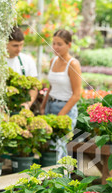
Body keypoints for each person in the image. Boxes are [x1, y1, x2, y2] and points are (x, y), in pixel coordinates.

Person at [40, 29, 82, 159]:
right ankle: (48, 179)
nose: (55, 47)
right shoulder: (53, 61)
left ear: (68, 45)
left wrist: (61, 115)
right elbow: (52, 86)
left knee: (60, 150)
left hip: (65, 110)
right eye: (53, 43)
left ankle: (64, 179)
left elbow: (77, 95)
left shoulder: (73, 64)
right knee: (48, 149)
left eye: (59, 44)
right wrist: (43, 106)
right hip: (50, 107)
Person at [7, 26, 38, 110]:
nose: (19, 49)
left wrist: (28, 104)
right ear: (5, 43)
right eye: (15, 46)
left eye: (21, 45)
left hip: (20, 108)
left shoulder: (27, 60)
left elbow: (34, 87)